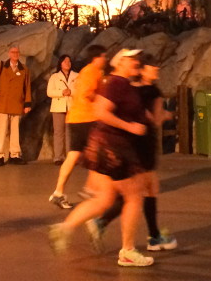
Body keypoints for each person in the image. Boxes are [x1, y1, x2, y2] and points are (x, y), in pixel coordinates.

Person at [48, 48, 154, 268]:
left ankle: (64, 229)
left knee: (104, 199)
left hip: (105, 146)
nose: (136, 62)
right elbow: (101, 111)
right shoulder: (115, 83)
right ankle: (127, 251)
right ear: (120, 62)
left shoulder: (121, 83)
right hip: (114, 148)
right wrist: (131, 127)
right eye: (131, 59)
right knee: (134, 196)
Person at [94, 56, 177, 251]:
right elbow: (154, 120)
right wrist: (166, 115)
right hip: (144, 143)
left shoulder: (131, 88)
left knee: (140, 190)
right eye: (152, 67)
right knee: (139, 192)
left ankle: (153, 235)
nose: (156, 69)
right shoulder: (153, 91)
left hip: (131, 144)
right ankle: (139, 238)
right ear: (143, 69)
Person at [49, 45, 107, 209]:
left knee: (74, 155)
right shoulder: (92, 71)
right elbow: (89, 93)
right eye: (104, 56)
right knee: (99, 152)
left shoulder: (83, 73)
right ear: (97, 58)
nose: (105, 59)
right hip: (86, 119)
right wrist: (103, 102)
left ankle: (59, 192)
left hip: (77, 117)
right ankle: (90, 189)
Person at [0, 45, 32, 166]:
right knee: (2, 131)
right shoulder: (1, 66)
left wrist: (27, 103)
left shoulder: (24, 69)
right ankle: (0, 156)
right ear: (9, 54)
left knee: (15, 131)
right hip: (3, 103)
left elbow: (27, 87)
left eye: (17, 52)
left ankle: (15, 155)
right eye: (13, 52)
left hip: (17, 103)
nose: (15, 54)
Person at [47, 54, 77, 166]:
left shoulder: (76, 76)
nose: (67, 63)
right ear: (60, 63)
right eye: (65, 61)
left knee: (70, 133)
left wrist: (71, 92)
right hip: (58, 107)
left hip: (71, 107)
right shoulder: (54, 77)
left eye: (69, 61)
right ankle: (58, 157)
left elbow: (80, 90)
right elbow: (49, 92)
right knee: (58, 133)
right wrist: (61, 92)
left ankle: (70, 157)